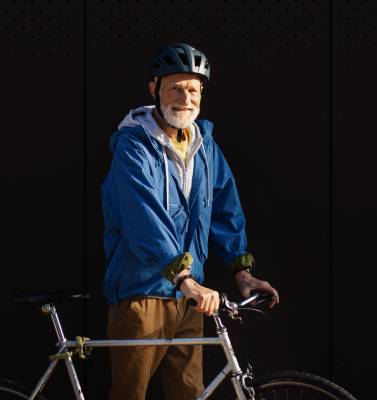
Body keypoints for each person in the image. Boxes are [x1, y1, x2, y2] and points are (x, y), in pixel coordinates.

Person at [101, 43, 279, 400]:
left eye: (194, 89)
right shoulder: (133, 146)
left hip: (191, 300)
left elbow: (225, 210)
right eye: (175, 87)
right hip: (142, 295)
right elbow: (142, 219)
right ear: (154, 89)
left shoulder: (204, 145)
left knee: (189, 395)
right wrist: (184, 279)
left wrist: (241, 272)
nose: (186, 98)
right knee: (129, 396)